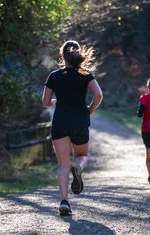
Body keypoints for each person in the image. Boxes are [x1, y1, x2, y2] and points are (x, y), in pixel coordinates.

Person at [42, 40, 103, 215]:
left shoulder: (54, 76)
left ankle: (64, 202)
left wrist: (57, 101)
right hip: (80, 121)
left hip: (60, 122)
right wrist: (89, 109)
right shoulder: (85, 74)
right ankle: (79, 168)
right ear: (77, 54)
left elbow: (46, 102)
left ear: (62, 55)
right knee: (82, 156)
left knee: (63, 164)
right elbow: (98, 95)